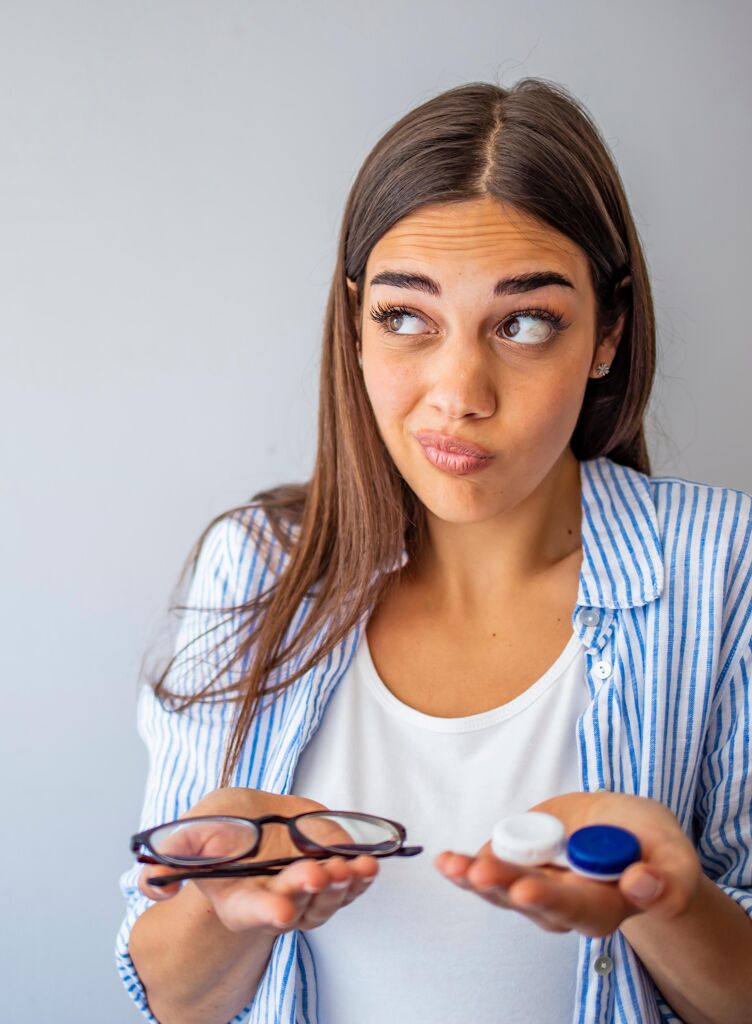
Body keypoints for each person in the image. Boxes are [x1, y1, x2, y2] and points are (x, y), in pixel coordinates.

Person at [113, 77, 752, 1024]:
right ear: (356, 324)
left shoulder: (725, 563)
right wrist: (230, 908)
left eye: (524, 322)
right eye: (406, 317)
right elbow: (169, 996)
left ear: (608, 333)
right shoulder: (256, 568)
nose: (459, 394)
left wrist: (668, 901)